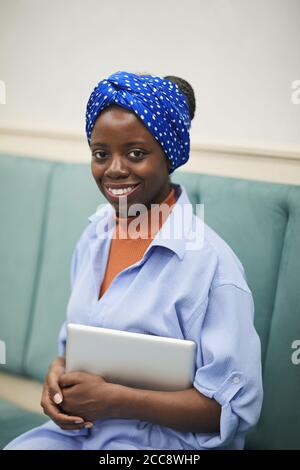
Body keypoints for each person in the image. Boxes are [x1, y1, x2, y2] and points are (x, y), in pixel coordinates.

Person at [4, 70, 263, 450]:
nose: (115, 169)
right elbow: (74, 349)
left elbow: (231, 408)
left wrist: (116, 401)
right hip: (83, 432)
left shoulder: (212, 266)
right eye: (101, 153)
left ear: (169, 154)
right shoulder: (94, 238)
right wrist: (56, 375)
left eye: (136, 153)